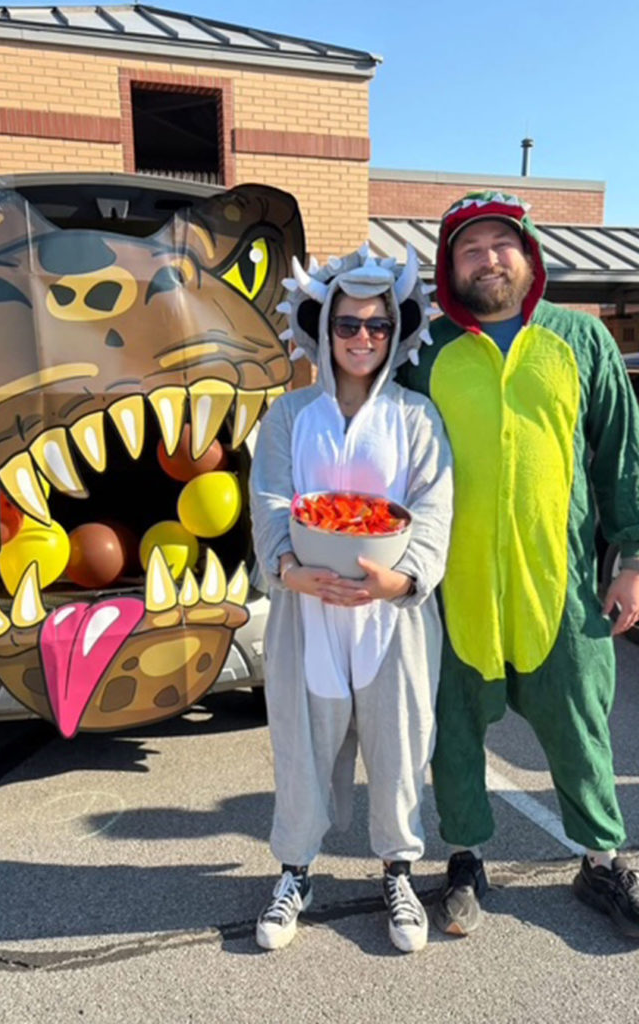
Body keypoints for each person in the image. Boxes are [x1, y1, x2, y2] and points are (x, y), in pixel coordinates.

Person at [398, 190, 639, 941]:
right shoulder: (425, 352)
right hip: (455, 589)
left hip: (561, 584)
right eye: (469, 248)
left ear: (528, 253)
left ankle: (602, 860)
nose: (488, 258)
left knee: (581, 726)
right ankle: (462, 858)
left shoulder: (579, 339)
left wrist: (634, 558)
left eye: (500, 244)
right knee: (452, 728)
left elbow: (621, 456)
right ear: (449, 267)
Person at [249, 245, 453, 952]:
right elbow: (271, 498)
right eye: (346, 325)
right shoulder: (287, 417)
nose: (361, 338)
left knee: (399, 745)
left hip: (390, 614)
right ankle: (295, 870)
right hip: (307, 613)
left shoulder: (417, 417)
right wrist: (284, 566)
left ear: (394, 331)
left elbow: (431, 507)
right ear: (321, 328)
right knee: (302, 747)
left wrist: (404, 579)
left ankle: (397, 870)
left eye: (374, 325)